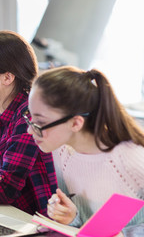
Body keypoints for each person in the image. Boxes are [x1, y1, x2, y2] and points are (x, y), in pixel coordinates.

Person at [26, 66, 144, 236]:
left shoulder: (132, 159)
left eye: (40, 122)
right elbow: (90, 226)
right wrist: (71, 217)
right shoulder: (61, 151)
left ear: (76, 123)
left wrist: (126, 234)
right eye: (30, 117)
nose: (30, 130)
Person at [0, 31, 57, 215]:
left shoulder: (29, 117)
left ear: (7, 77)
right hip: (5, 217)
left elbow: (6, 188)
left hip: (34, 224)